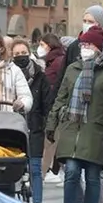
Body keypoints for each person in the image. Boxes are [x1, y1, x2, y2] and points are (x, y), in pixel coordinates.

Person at [45, 26, 103, 203]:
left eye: (88, 44)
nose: (84, 48)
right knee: (72, 173)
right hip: (71, 128)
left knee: (93, 176)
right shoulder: (72, 69)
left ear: (98, 47)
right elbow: (61, 98)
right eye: (83, 44)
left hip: (96, 130)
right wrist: (51, 124)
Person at [11, 37, 52, 203]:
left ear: (30, 54)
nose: (21, 56)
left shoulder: (40, 76)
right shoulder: (9, 75)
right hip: (13, 130)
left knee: (35, 168)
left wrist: (46, 126)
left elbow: (47, 103)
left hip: (35, 127)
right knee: (14, 169)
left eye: (24, 53)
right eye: (17, 53)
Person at [37, 33, 67, 186]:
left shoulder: (56, 61)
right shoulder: (52, 60)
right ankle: (50, 171)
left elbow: (52, 83)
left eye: (42, 44)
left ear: (50, 45)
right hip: (52, 106)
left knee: (51, 141)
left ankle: (46, 172)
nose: (40, 48)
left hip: (53, 107)